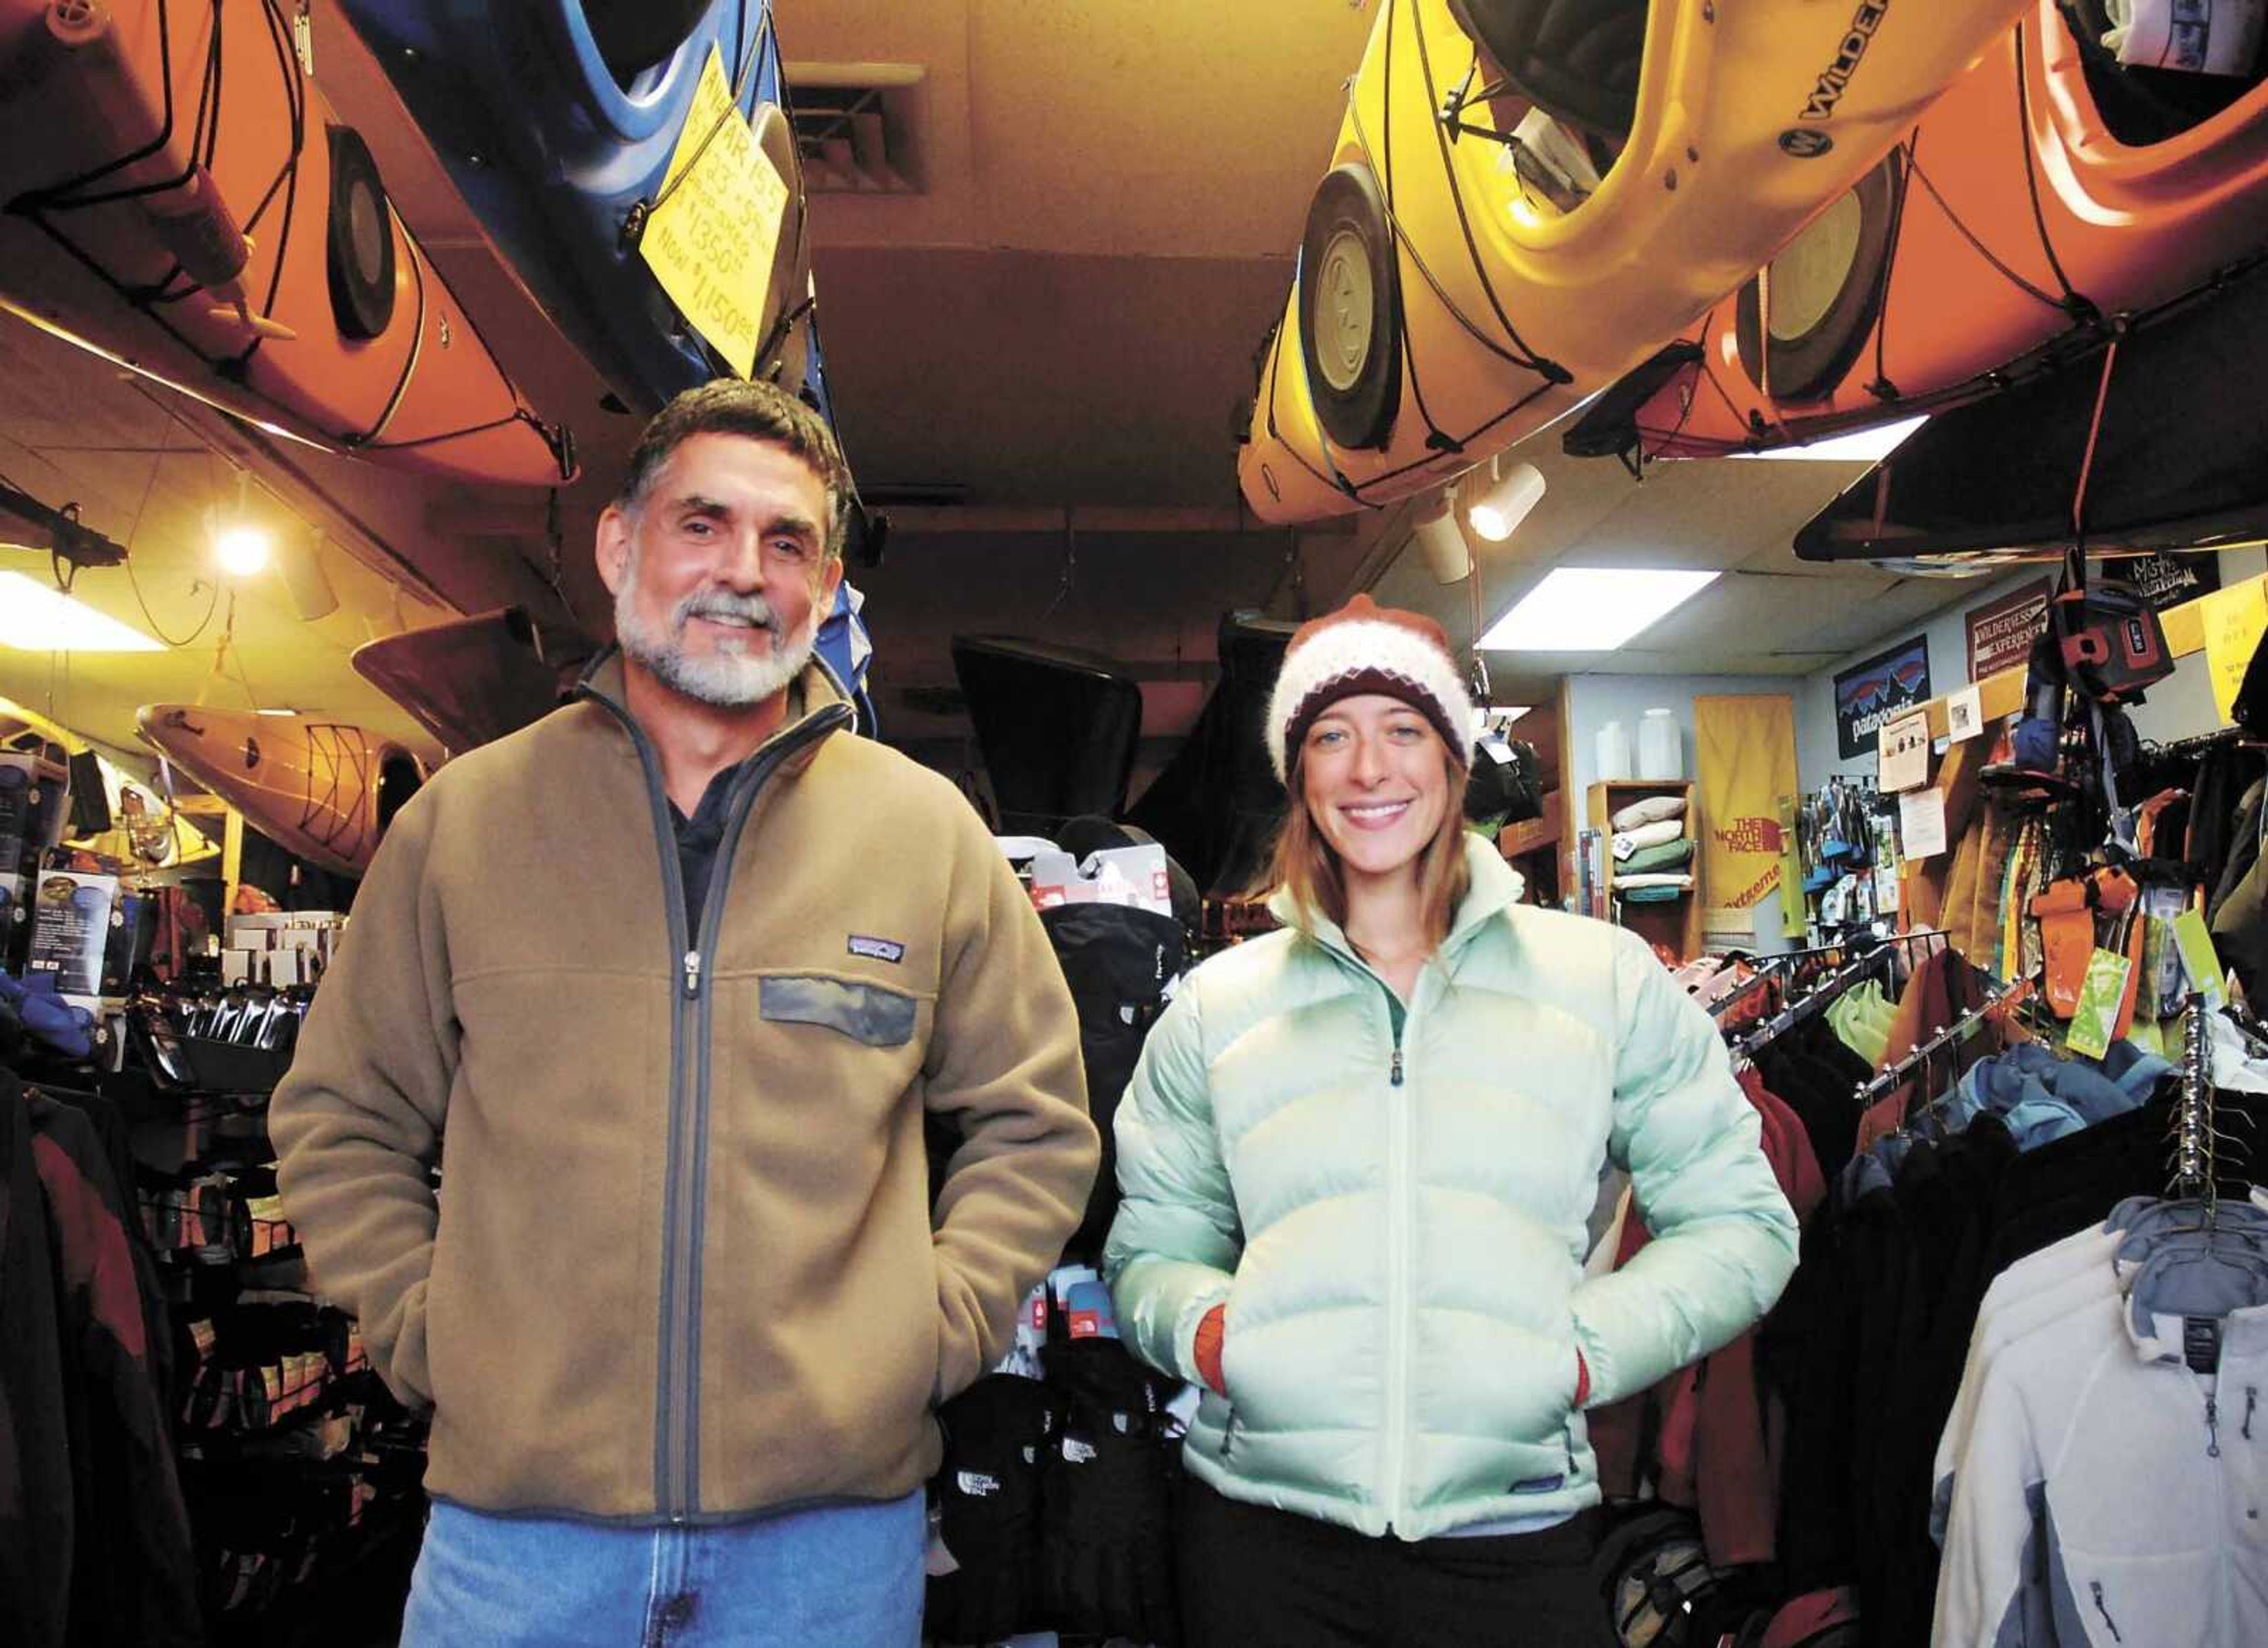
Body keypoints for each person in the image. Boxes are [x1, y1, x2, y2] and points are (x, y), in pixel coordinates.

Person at [271, 378, 1099, 1647]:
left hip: (828, 1549)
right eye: (701, 524)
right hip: (517, 1544)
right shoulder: (465, 826)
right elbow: (341, 1113)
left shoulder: (924, 834)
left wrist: (926, 1336)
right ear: (620, 546)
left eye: (787, 543)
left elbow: (1034, 1125)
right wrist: (430, 1331)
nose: (742, 573)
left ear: (823, 591)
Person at [1104, 595, 1800, 1647]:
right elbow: (1152, 1243)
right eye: (1331, 736)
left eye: (1402, 730)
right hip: (1260, 1541)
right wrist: (1212, 1334)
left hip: (1512, 1538)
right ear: (1297, 775)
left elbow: (1744, 1223)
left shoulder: (1598, 982)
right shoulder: (1218, 1006)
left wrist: (1579, 1354)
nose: (1368, 769)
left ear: (1453, 760)